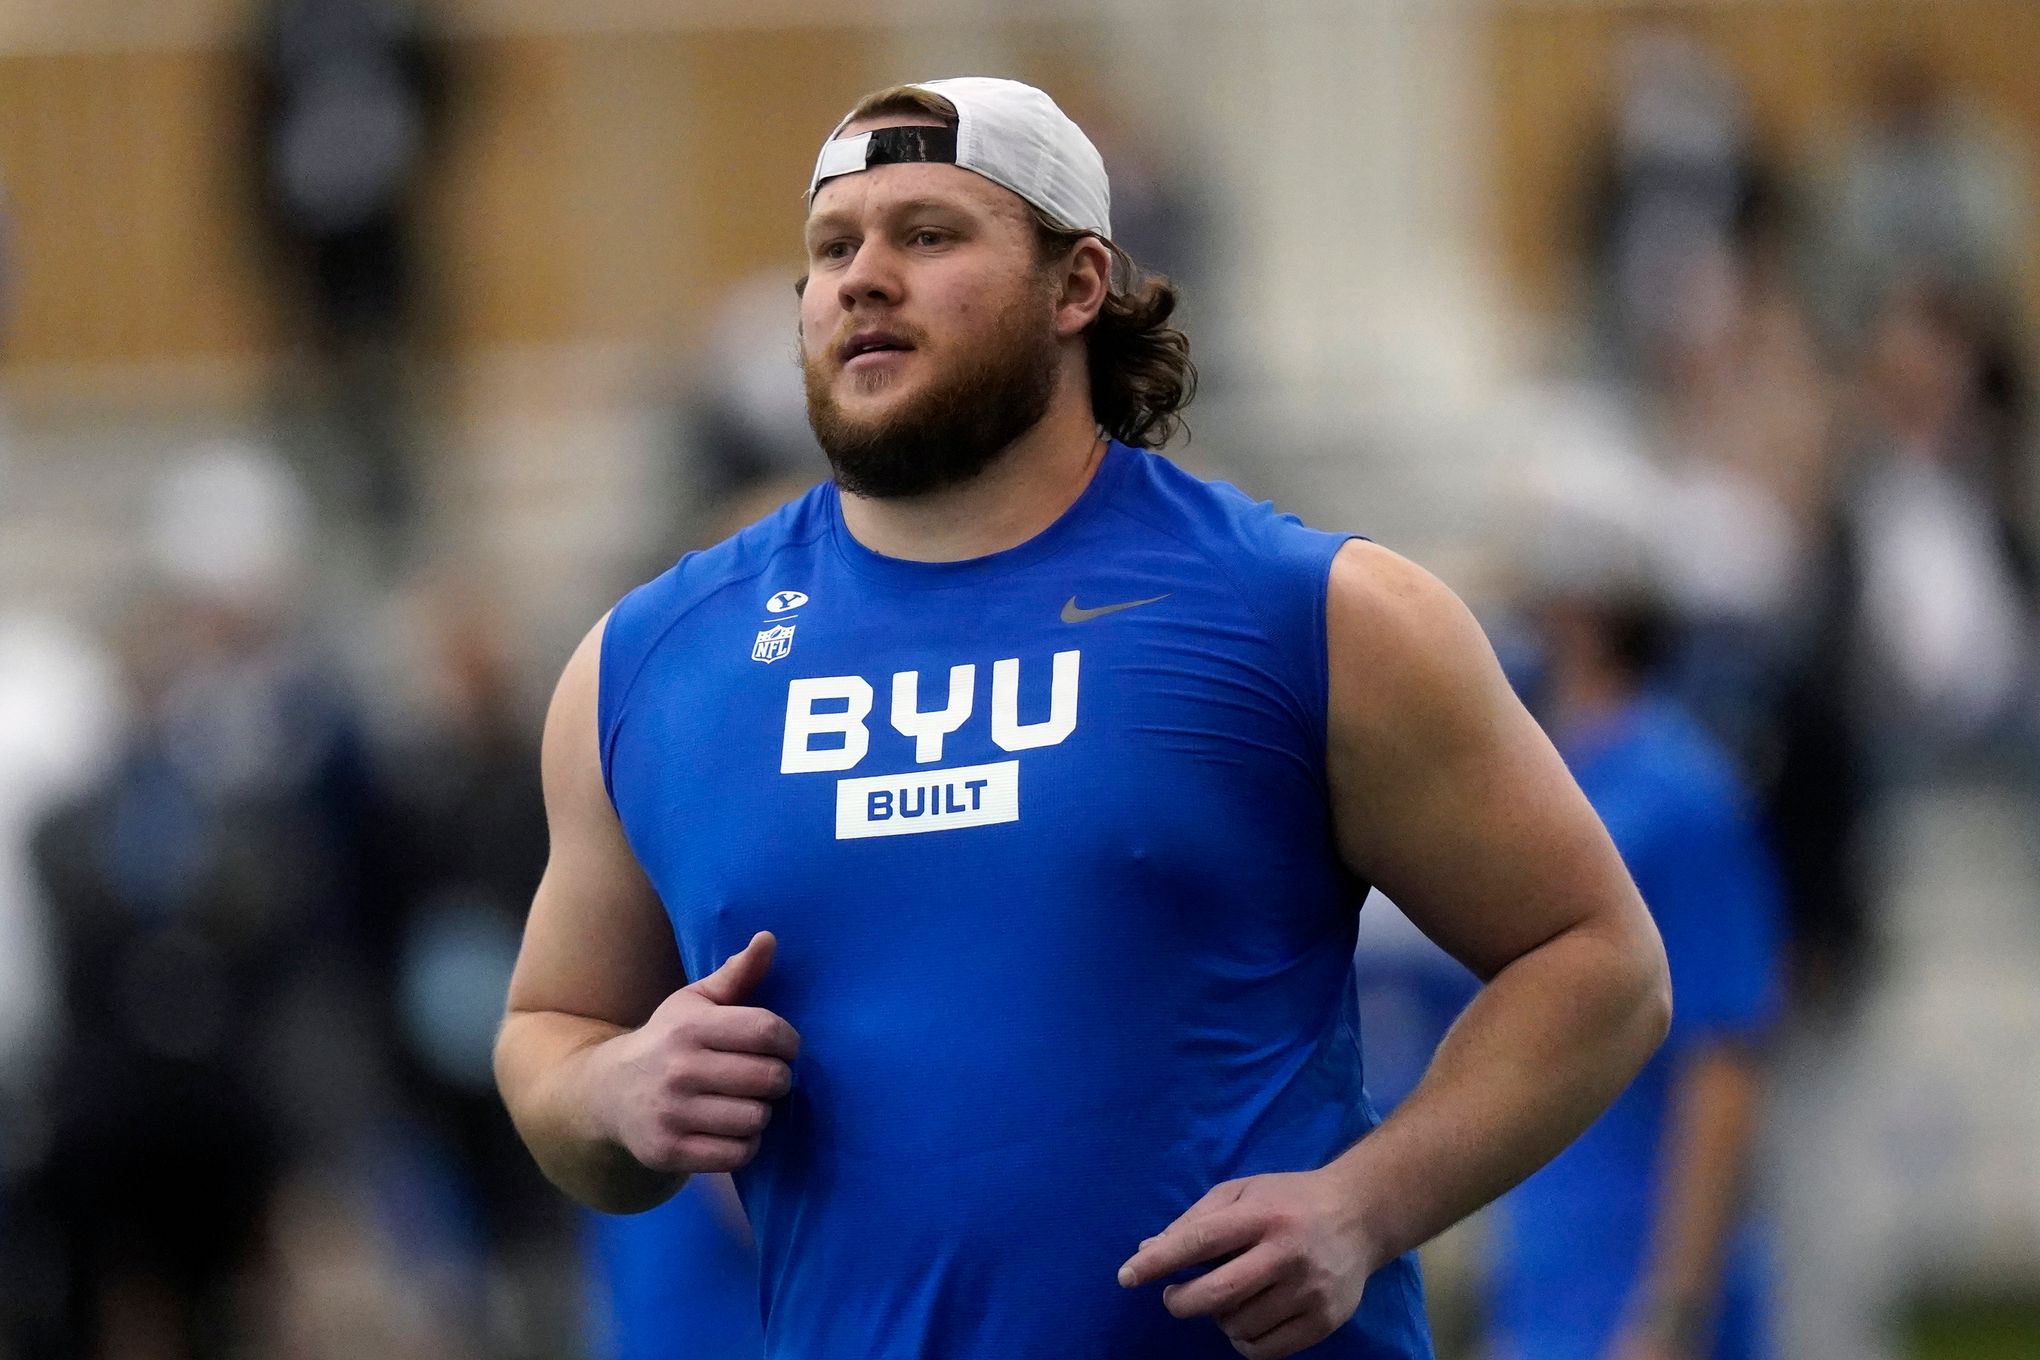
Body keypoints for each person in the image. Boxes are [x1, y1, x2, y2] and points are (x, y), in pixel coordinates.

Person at [494, 77, 1672, 1359]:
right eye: (834, 248)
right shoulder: (654, 663)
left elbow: (1599, 963)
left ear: (1077, 288)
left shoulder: (1314, 611)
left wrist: (1369, 1204)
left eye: (929, 235)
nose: (861, 279)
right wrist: (616, 1093)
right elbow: (548, 1036)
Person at [1487, 584, 1783, 1360]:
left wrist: (1672, 1312)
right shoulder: (1553, 778)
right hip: (1549, 1278)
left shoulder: (1679, 794)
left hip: (1628, 1287)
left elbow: (1721, 1060)